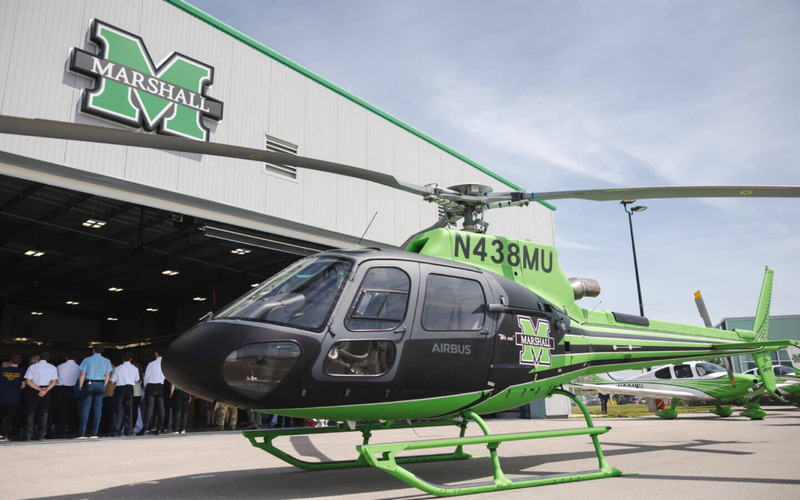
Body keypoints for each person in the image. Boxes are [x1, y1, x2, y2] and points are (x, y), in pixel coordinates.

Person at [77, 345, 113, 439]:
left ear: (93, 350)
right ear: (102, 351)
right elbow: (107, 375)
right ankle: (94, 433)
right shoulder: (106, 361)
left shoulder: (87, 360)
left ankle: (82, 433)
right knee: (97, 409)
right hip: (100, 384)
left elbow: (82, 374)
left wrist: (80, 386)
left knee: (85, 408)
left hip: (89, 383)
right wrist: (103, 385)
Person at [23, 351, 58, 440]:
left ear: (38, 357)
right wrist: (45, 390)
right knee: (44, 413)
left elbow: (28, 381)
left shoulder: (32, 367)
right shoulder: (52, 367)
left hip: (34, 390)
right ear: (48, 357)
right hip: (46, 391)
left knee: (31, 412)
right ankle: (42, 434)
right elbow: (54, 381)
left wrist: (38, 389)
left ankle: (28, 434)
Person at [51, 354, 80, 438]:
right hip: (72, 389)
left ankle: (58, 430)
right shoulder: (78, 367)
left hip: (60, 389)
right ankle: (72, 429)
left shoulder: (59, 366)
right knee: (72, 411)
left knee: (59, 410)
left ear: (66, 358)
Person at [110, 351, 139, 436]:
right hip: (130, 389)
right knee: (129, 410)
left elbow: (112, 382)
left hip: (119, 389)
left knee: (116, 410)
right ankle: (129, 431)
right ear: (131, 359)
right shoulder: (135, 368)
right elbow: (136, 380)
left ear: (122, 358)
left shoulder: (117, 368)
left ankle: (114, 431)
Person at [139, 348, 165, 436]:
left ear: (156, 354)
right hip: (160, 386)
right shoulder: (165, 364)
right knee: (161, 407)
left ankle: (144, 429)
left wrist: (145, 386)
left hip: (151, 386)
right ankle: (159, 429)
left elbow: (146, 376)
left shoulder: (151, 364)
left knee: (149, 408)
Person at [0, 354, 25, 441]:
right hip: (14, 398)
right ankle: (4, 434)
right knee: (9, 417)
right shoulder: (21, 372)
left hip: (2, 397)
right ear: (20, 362)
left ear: (10, 361)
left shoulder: (2, 371)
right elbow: (23, 386)